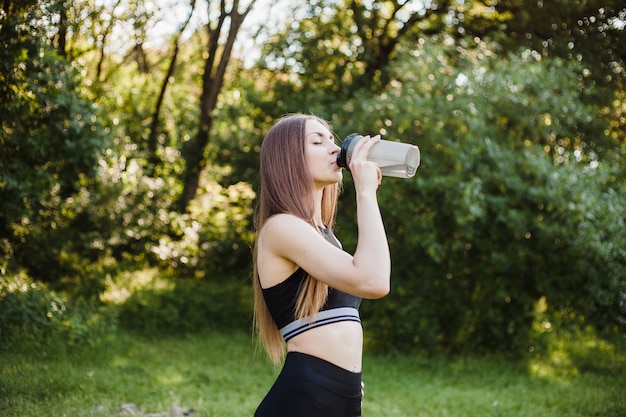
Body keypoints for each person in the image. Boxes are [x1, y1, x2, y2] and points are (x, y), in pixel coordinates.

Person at [252, 114, 391, 417]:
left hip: (339, 397)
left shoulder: (324, 236)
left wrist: (345, 382)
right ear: (288, 160)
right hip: (304, 400)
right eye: (318, 141)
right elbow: (374, 280)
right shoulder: (281, 228)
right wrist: (366, 192)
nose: (334, 148)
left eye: (331, 139)